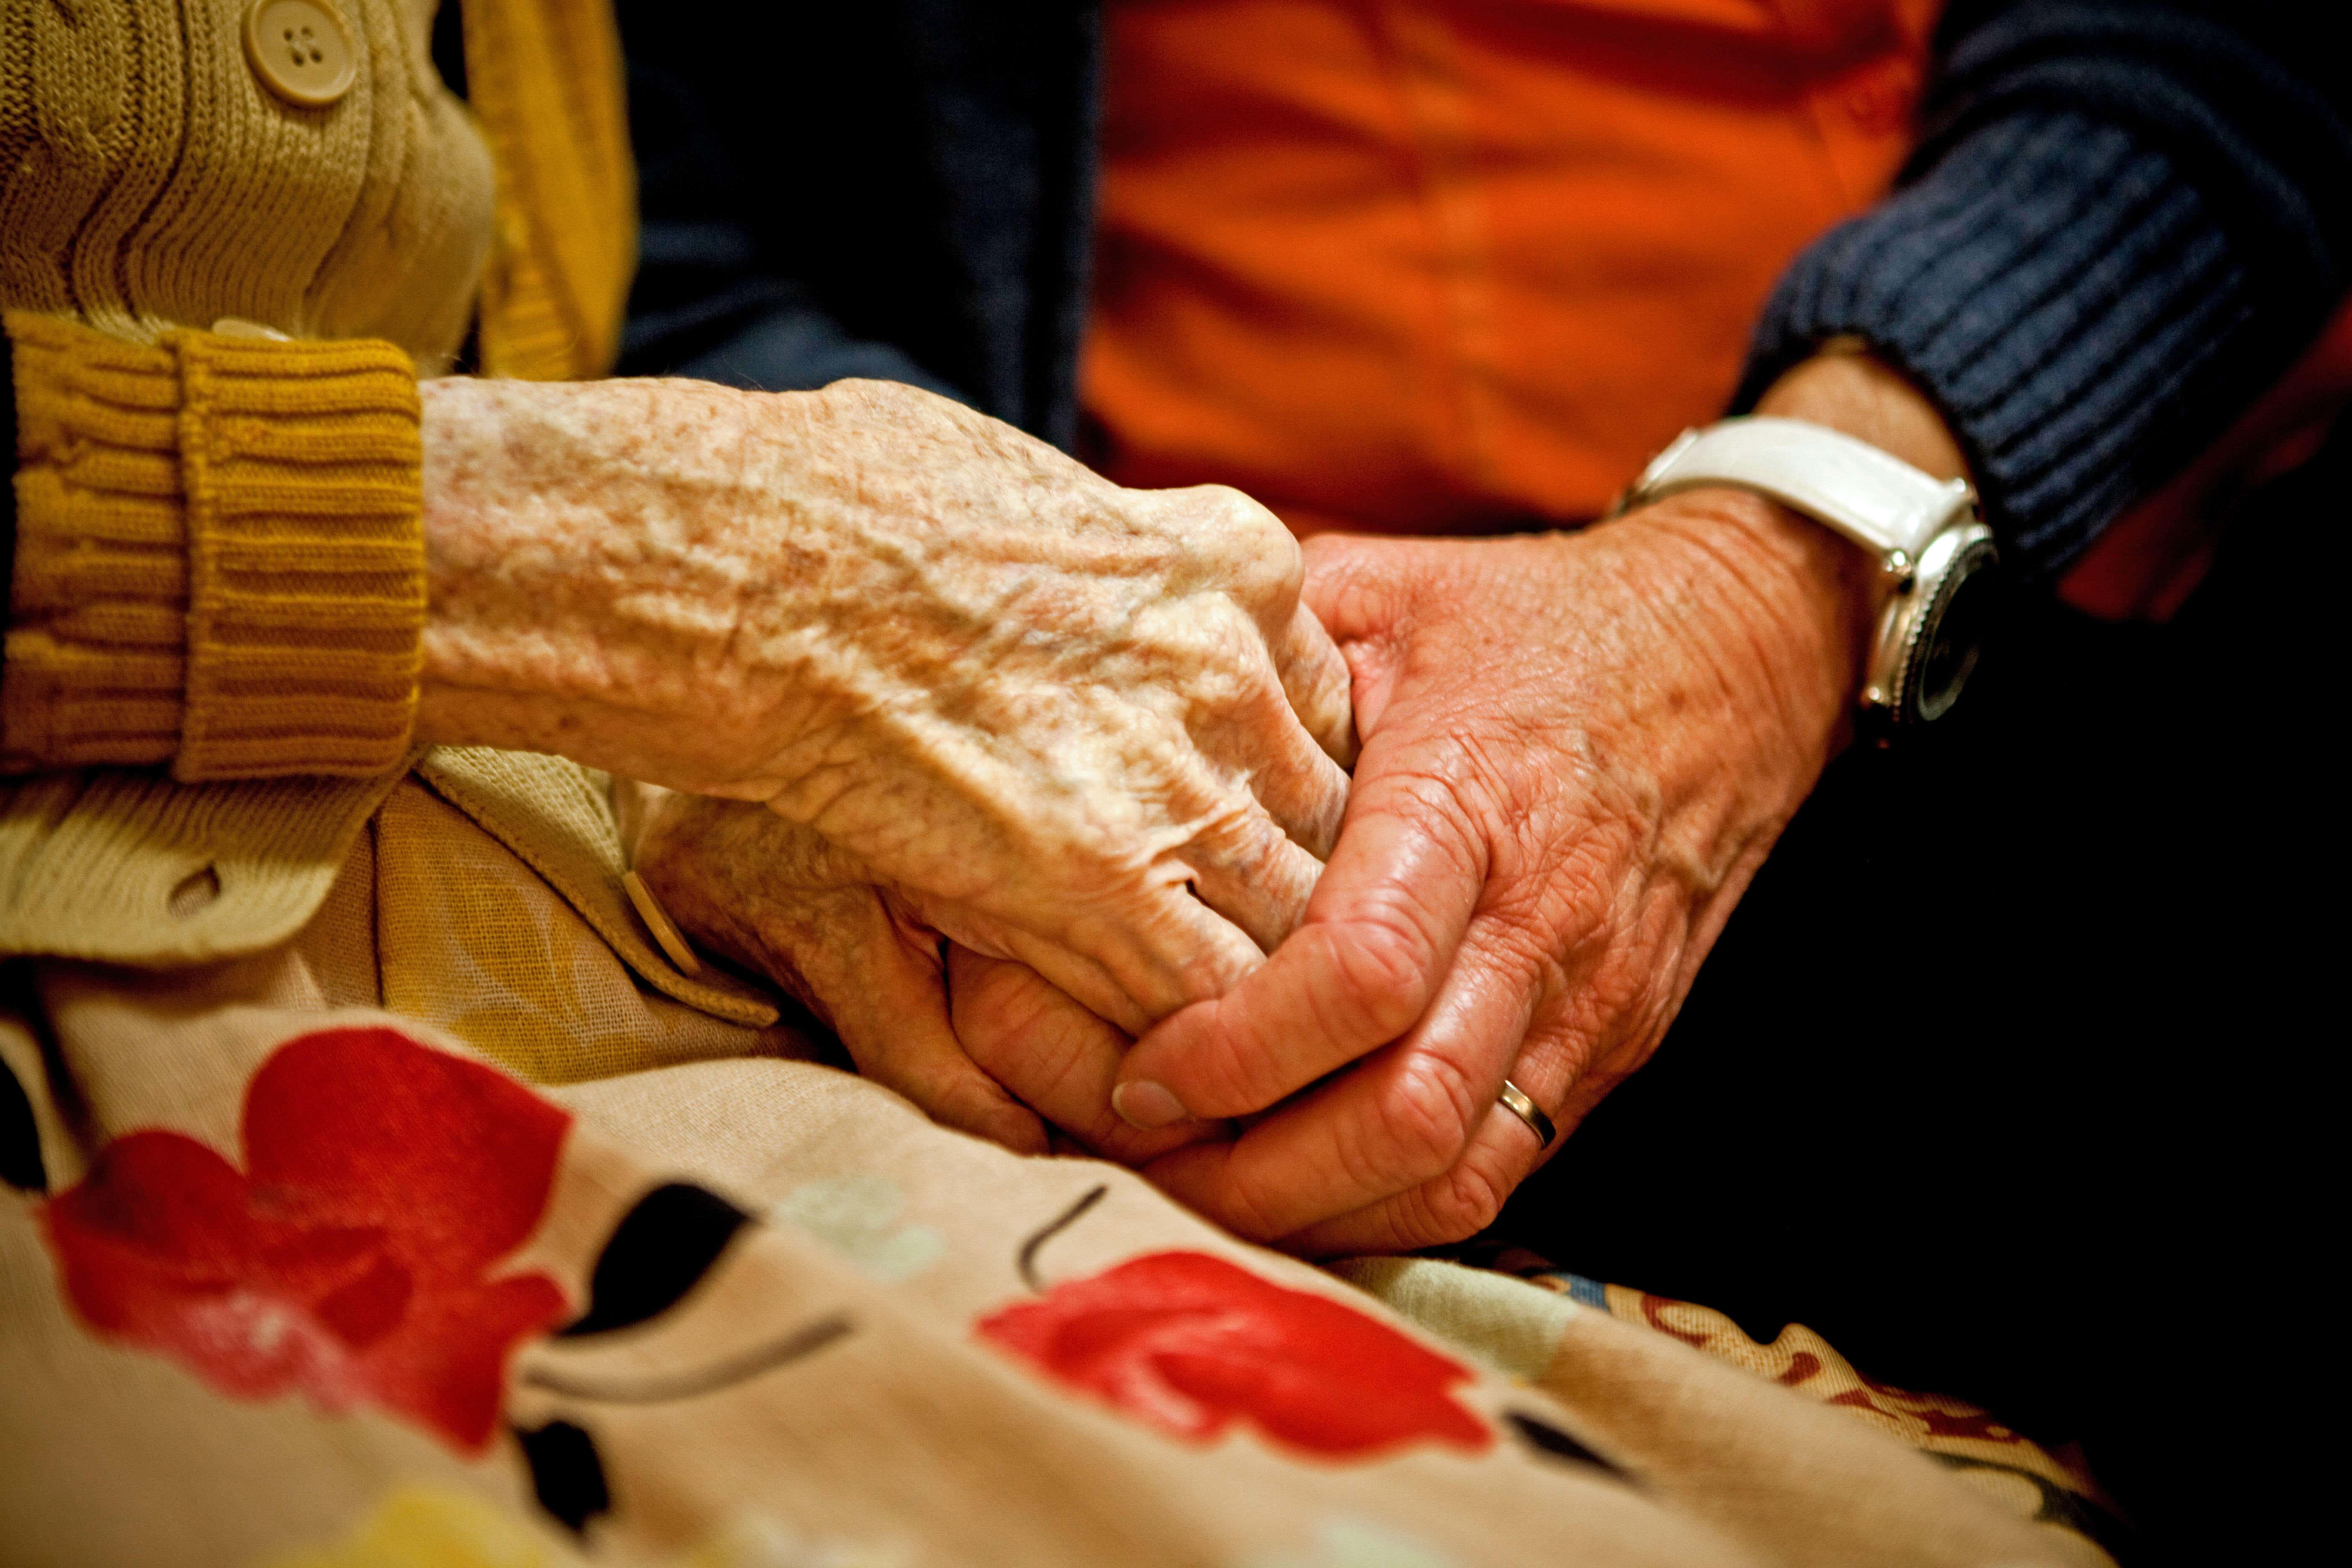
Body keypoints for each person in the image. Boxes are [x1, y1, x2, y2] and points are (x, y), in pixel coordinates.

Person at [607, 2, 2350, 1554]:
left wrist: (1779, 567)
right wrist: (1060, 630)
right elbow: (640, 237)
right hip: (1254, 686)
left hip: (2061, 573)